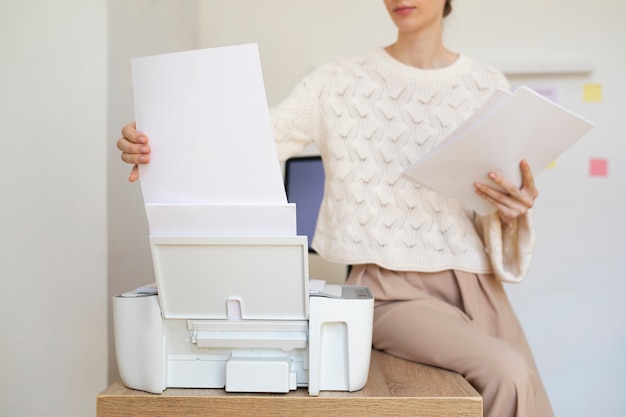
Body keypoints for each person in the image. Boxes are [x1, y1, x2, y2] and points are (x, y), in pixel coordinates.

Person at [117, 1, 554, 415]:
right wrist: (163, 140)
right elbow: (249, 141)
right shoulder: (338, 82)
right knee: (508, 373)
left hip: (478, 286)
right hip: (388, 290)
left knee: (529, 392)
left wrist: (512, 208)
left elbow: (494, 201)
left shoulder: (486, 84)